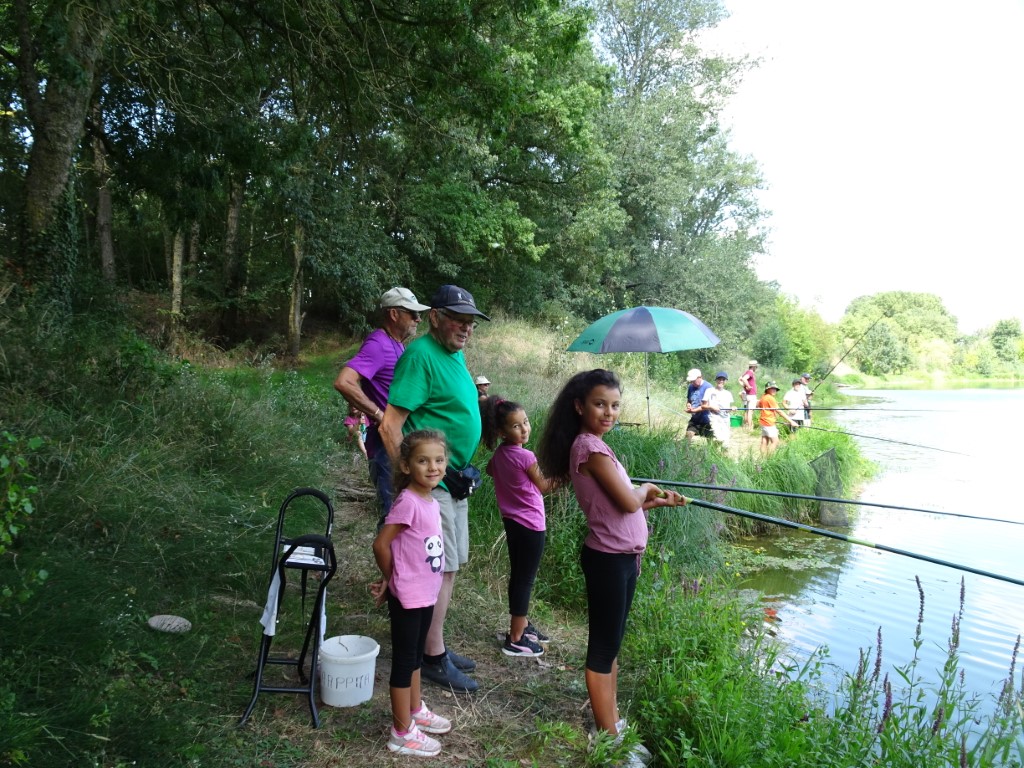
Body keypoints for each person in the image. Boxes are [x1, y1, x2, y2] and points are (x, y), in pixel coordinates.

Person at [536, 369, 685, 765]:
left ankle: (612, 723)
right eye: (600, 404)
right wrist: (645, 488)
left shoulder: (596, 446)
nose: (609, 412)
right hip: (607, 560)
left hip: (621, 559)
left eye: (615, 405)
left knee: (612, 644)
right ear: (579, 406)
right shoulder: (590, 449)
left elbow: (622, 504)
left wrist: (655, 500)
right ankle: (608, 740)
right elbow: (628, 501)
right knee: (603, 649)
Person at [379, 284, 490, 694]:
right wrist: (413, 482)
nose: (466, 328)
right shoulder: (420, 356)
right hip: (431, 485)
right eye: (458, 320)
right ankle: (431, 657)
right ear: (435, 318)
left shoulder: (453, 353)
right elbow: (390, 426)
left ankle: (434, 644)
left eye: (471, 322)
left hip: (452, 479)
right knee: (436, 567)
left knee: (450, 565)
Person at [371, 430, 453, 758]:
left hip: (425, 593)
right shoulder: (408, 502)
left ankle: (415, 709)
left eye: (439, 460)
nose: (433, 467)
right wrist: (392, 578)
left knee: (416, 655)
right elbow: (381, 544)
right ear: (406, 466)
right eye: (423, 460)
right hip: (408, 595)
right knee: (405, 662)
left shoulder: (429, 499)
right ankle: (401, 732)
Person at [334, 287, 430, 522]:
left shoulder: (398, 344)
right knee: (393, 517)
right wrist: (378, 414)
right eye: (412, 313)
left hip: (398, 443)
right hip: (384, 449)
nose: (418, 319)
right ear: (394, 314)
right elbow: (344, 382)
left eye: (418, 314)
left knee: (405, 514)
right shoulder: (378, 344)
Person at [481, 395, 555, 658]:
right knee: (525, 579)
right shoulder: (525, 456)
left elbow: (490, 470)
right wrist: (568, 473)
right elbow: (544, 485)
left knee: (519, 575)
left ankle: (521, 624)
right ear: (502, 432)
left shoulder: (500, 455)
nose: (524, 429)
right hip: (531, 525)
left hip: (513, 523)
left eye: (525, 422)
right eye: (516, 426)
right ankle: (515, 638)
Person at [757, 381, 794, 455]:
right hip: (769, 422)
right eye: (772, 388)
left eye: (775, 389)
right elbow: (779, 411)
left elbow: (758, 405)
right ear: (767, 389)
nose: (774, 390)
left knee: (765, 440)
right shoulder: (770, 398)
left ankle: (763, 458)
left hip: (763, 421)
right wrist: (791, 421)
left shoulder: (763, 397)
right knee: (775, 441)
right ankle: (769, 458)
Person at [702, 372, 735, 448]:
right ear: (716, 380)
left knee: (725, 443)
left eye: (723, 379)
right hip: (714, 418)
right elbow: (703, 406)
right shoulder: (709, 391)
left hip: (726, 419)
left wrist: (732, 408)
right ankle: (713, 451)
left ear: (725, 381)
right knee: (719, 438)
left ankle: (722, 454)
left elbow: (727, 410)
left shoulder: (728, 393)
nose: (721, 381)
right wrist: (712, 407)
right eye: (719, 379)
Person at [684, 369, 713, 440]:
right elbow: (689, 401)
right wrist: (689, 405)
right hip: (695, 419)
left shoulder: (708, 387)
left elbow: (707, 405)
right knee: (687, 438)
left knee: (711, 441)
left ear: (700, 377)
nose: (692, 383)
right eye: (691, 381)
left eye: (693, 381)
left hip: (707, 420)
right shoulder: (691, 387)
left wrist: (693, 410)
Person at [739, 361, 758, 428]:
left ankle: (746, 424)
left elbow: (740, 379)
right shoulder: (750, 372)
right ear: (754, 366)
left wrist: (744, 386)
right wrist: (748, 386)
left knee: (747, 410)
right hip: (751, 395)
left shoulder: (746, 372)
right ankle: (750, 427)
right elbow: (743, 379)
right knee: (750, 411)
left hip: (748, 394)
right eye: (756, 366)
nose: (756, 368)